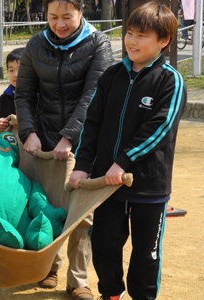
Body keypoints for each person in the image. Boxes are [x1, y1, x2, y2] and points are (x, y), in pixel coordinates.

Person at [69, 2, 187, 299]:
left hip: (148, 185)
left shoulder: (170, 80)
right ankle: (111, 293)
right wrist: (83, 164)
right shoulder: (111, 76)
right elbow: (92, 122)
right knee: (104, 243)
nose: (132, 41)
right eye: (129, 33)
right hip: (106, 185)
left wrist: (123, 162)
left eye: (142, 36)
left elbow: (160, 128)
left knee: (146, 253)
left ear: (164, 41)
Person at [15, 0, 114, 299]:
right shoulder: (35, 44)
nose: (59, 24)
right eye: (52, 17)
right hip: (43, 141)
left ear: (82, 11)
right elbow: (23, 93)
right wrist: (28, 132)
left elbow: (93, 95)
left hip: (85, 144)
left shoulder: (98, 43)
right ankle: (50, 266)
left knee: (81, 214)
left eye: (67, 17)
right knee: (47, 206)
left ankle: (78, 280)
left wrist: (70, 136)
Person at [0, 47, 24, 135]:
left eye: (20, 70)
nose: (15, 75)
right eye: (11, 70)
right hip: (8, 146)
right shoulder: (4, 98)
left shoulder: (41, 96)